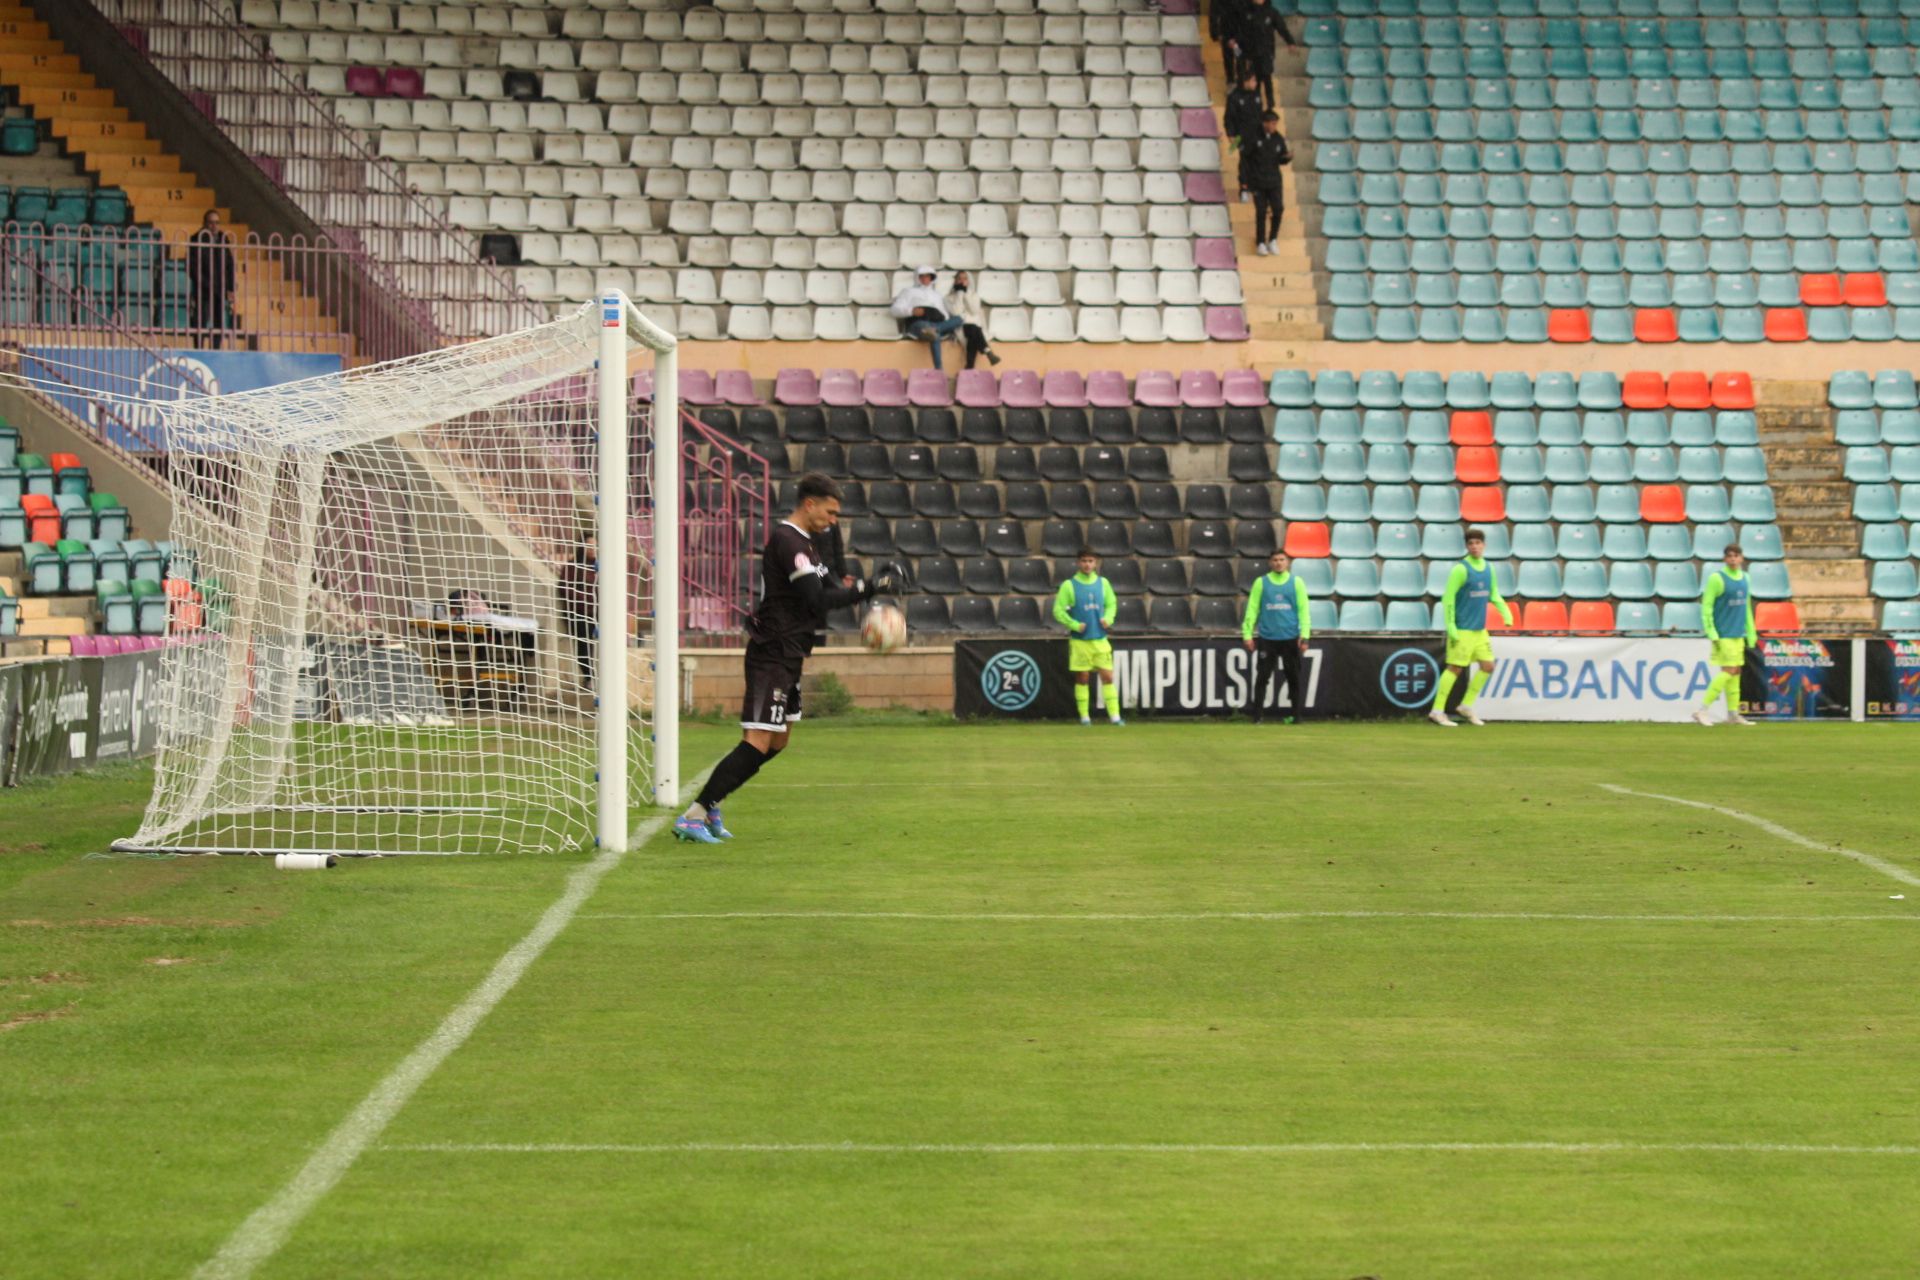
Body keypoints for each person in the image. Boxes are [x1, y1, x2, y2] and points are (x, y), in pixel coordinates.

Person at [675, 473, 905, 843]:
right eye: (830, 512)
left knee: (779, 741)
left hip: (792, 651)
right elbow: (816, 598)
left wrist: (871, 584)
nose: (833, 520)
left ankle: (713, 798)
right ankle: (695, 814)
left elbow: (831, 588)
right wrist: (869, 588)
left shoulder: (810, 545)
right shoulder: (789, 541)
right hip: (773, 651)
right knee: (757, 741)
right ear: (809, 503)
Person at [1429, 528, 1513, 728]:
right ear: (1467, 546)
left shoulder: (1488, 568)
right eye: (1471, 543)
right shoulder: (1461, 569)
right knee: (1455, 668)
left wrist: (1506, 612)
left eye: (1478, 543)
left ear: (1484, 545)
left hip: (1479, 630)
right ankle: (1437, 711)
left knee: (1488, 666)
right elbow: (1448, 598)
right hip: (1463, 628)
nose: (1475, 546)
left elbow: (1493, 594)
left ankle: (1465, 706)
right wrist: (1451, 626)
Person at [1053, 547, 1124, 726]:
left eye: (1090, 561)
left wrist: (1109, 618)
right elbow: (1058, 610)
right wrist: (1075, 625)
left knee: (1107, 677)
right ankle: (1084, 717)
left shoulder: (1103, 583)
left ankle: (1115, 716)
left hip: (1100, 639)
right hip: (1080, 641)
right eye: (1084, 561)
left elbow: (1111, 604)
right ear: (1078, 563)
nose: (1087, 564)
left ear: (1095, 563)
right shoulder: (1069, 585)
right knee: (1082, 678)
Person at [1241, 549, 1311, 724]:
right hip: (1267, 638)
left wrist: (1306, 636)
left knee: (1293, 678)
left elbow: (1304, 611)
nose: (1279, 563)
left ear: (1287, 562)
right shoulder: (1261, 582)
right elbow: (1252, 609)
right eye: (1275, 560)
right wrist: (1247, 634)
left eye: (1282, 559)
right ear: (1270, 563)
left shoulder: (1297, 582)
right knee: (1262, 677)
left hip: (1290, 638)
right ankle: (1257, 716)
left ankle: (1296, 716)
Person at [1693, 543, 1758, 727]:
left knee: (1735, 673)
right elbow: (1707, 606)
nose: (1733, 559)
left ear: (1741, 558)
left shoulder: (1746, 578)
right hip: (1724, 634)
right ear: (1725, 558)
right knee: (1728, 671)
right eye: (1729, 556)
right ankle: (1702, 710)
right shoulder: (1717, 578)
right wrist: (1711, 631)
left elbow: (1746, 608)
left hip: (1738, 634)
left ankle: (1732, 713)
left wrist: (1751, 633)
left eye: (1736, 556)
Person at [889, 265, 965, 371]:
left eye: (928, 276)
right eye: (922, 276)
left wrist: (943, 320)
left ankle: (933, 330)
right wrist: (911, 311)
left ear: (931, 278)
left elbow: (945, 314)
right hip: (918, 323)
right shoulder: (908, 291)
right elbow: (894, 310)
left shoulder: (937, 295)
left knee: (959, 319)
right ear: (917, 277)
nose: (925, 279)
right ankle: (939, 370)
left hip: (937, 323)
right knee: (934, 335)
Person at [1241, 111, 1293, 258]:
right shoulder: (1254, 137)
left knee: (1278, 209)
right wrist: (1244, 183)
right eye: (1271, 123)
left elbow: (1281, 159)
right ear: (1264, 123)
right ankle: (1260, 242)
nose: (1274, 126)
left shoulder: (1278, 138)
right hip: (1258, 182)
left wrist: (1287, 158)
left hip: (1275, 181)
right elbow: (1245, 160)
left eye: (1276, 123)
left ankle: (1273, 239)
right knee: (1261, 211)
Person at [186, 208, 236, 349]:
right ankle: (199, 349)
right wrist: (206, 284)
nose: (214, 226)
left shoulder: (222, 238)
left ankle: (215, 349)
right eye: (211, 223)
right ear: (204, 223)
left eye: (217, 223)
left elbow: (229, 265)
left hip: (220, 290)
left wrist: (230, 287)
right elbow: (193, 267)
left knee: (219, 324)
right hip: (204, 290)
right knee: (200, 323)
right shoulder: (196, 239)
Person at [1229, 0, 1293, 111]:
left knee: (1267, 78)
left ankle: (1270, 106)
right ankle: (1254, 106)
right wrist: (1235, 41)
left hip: (1266, 52)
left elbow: (1282, 28)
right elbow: (1241, 31)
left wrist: (1290, 42)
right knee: (1254, 80)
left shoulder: (1271, 12)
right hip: (1249, 53)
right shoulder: (1245, 12)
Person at [557, 535, 596, 689]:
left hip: (597, 612)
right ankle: (588, 676)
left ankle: (601, 676)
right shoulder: (572, 567)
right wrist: (587, 599)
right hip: (579, 613)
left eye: (595, 545)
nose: (593, 549)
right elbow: (565, 589)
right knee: (583, 644)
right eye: (590, 546)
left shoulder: (600, 566)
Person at [944, 269, 1001, 369]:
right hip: (960, 326)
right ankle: (987, 351)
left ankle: (969, 366)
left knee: (973, 332)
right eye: (959, 279)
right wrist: (960, 293)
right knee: (973, 331)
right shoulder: (948, 298)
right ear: (955, 281)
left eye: (965, 279)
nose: (962, 281)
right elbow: (956, 312)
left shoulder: (974, 295)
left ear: (968, 281)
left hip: (975, 326)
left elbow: (974, 311)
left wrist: (966, 295)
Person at [1223, 71, 1266, 203]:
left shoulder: (1257, 95)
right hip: (1241, 136)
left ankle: (1255, 188)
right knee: (1245, 163)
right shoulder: (1234, 97)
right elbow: (1229, 118)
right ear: (1246, 81)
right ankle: (1244, 190)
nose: (1255, 83)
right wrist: (1230, 134)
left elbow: (1260, 115)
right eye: (1253, 81)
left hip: (1257, 135)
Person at [1211, 0, 1249, 86]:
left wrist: (1237, 37)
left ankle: (1241, 80)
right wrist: (1216, 33)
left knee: (1239, 56)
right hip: (1226, 32)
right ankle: (1231, 80)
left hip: (1239, 32)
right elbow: (1213, 12)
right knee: (1228, 57)